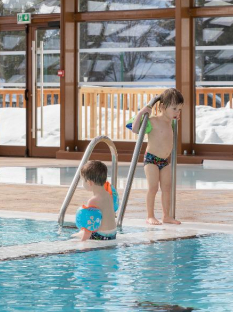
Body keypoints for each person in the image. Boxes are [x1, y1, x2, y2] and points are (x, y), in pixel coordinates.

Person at [130, 87, 183, 226]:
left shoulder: (171, 122)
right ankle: (150, 216)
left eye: (179, 109)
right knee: (153, 188)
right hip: (151, 159)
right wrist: (142, 112)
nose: (177, 112)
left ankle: (166, 216)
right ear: (163, 107)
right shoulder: (152, 121)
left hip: (165, 161)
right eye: (174, 109)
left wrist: (174, 116)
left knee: (167, 188)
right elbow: (134, 129)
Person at [72, 160, 118, 241]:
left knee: (74, 236)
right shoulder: (109, 195)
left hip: (101, 236)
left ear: (89, 182)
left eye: (83, 180)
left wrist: (82, 242)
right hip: (113, 234)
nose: (83, 183)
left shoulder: (93, 201)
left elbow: (89, 228)